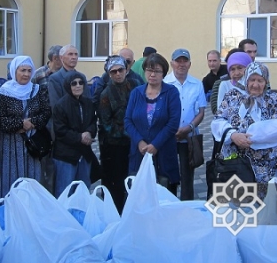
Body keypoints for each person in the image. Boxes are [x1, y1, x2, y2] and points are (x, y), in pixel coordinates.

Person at [211, 61, 277, 199]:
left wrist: (250, 138)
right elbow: (218, 120)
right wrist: (234, 135)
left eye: (260, 80)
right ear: (246, 80)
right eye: (252, 80)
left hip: (269, 167)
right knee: (238, 207)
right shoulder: (232, 96)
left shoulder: (275, 99)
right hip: (236, 165)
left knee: (268, 209)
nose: (255, 84)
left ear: (266, 81)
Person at [0, 56, 51, 197]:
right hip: (11, 145)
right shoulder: (4, 92)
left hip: (32, 144)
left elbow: (46, 112)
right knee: (12, 178)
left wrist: (31, 123)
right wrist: (20, 124)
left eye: (29, 70)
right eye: (22, 70)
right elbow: (0, 119)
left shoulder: (37, 90)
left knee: (32, 178)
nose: (26, 74)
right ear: (14, 71)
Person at [125, 53, 181, 195]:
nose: (152, 74)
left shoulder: (171, 92)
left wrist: (155, 144)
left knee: (164, 196)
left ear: (163, 73)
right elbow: (128, 121)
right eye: (149, 70)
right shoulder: (136, 93)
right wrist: (139, 142)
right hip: (139, 153)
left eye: (157, 71)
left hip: (164, 152)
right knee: (140, 196)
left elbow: (173, 123)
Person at [98, 55, 142, 212]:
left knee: (134, 180)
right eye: (113, 71)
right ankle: (115, 213)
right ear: (109, 74)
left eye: (120, 70)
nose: (118, 74)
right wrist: (130, 132)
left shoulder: (136, 85)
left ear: (126, 69)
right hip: (114, 146)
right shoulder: (106, 95)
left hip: (136, 144)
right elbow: (106, 124)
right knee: (115, 182)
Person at [164, 48, 207, 201]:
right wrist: (172, 130)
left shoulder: (197, 84)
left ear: (190, 64)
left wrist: (189, 127)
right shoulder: (164, 83)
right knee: (169, 174)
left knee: (188, 176)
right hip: (168, 137)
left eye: (185, 61)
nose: (181, 64)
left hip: (188, 137)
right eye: (178, 61)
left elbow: (201, 112)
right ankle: (169, 205)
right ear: (172, 63)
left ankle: (187, 206)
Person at [52, 70, 97, 197]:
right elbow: (60, 130)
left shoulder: (88, 103)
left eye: (81, 83)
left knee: (83, 190)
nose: (78, 86)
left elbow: (93, 122)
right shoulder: (60, 105)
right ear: (67, 85)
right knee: (65, 191)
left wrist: (89, 132)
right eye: (74, 83)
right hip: (66, 156)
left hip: (84, 153)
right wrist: (79, 137)